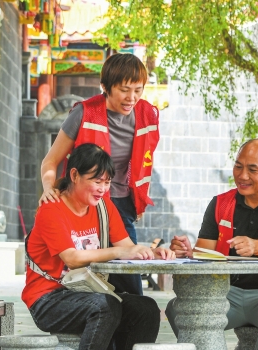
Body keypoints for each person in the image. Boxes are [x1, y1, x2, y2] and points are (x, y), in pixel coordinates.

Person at [23, 143, 174, 350]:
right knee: (105, 306)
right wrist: (120, 251)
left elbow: (128, 248)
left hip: (88, 292)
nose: (103, 189)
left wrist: (153, 253)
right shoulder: (52, 209)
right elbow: (72, 258)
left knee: (145, 308)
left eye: (107, 182)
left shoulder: (104, 207)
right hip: (48, 299)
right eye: (97, 181)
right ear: (74, 175)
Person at [166, 139, 258, 350]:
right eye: (238, 166)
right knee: (178, 308)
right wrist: (188, 253)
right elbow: (204, 252)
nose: (242, 176)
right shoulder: (220, 203)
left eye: (252, 169)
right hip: (226, 292)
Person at [38, 53, 160, 296]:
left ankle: (129, 327)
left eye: (138, 90)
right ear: (105, 87)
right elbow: (51, 160)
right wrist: (49, 188)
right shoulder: (84, 113)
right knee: (86, 278)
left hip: (121, 206)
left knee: (129, 283)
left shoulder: (147, 114)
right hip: (84, 206)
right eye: (125, 90)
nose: (132, 98)